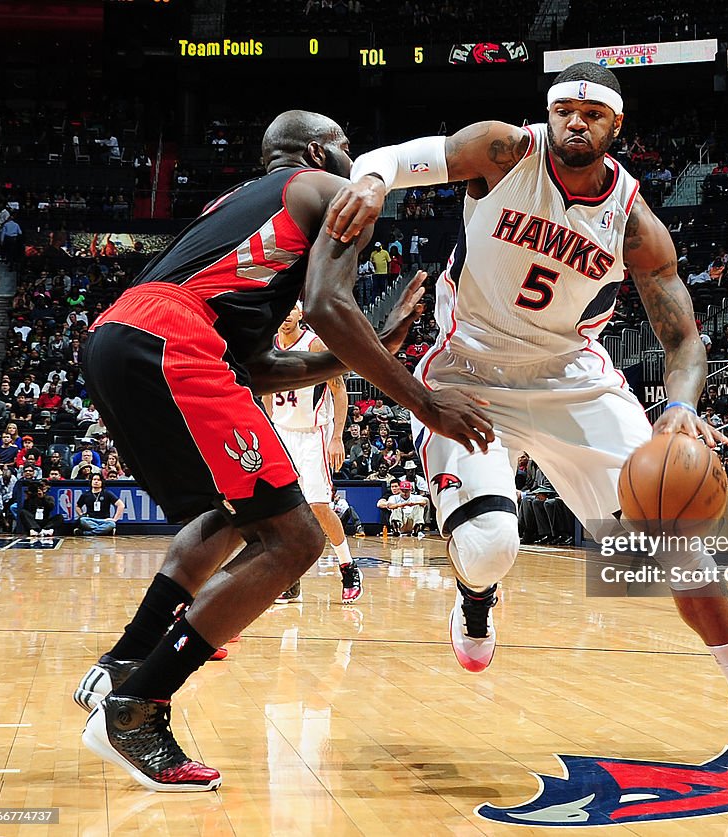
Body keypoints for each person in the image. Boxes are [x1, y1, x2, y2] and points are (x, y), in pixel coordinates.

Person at [324, 63, 728, 763]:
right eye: (564, 110)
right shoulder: (504, 152)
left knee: (673, 538)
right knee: (492, 545)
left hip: (571, 380)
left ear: (616, 126)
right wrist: (371, 181)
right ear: (548, 115)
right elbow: (392, 159)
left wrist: (679, 406)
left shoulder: (635, 220)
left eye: (592, 113)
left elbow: (683, 339)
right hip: (470, 372)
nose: (574, 121)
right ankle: (475, 592)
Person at [74, 110, 492, 792]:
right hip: (175, 342)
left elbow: (259, 368)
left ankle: (122, 663)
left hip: (120, 335)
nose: (358, 163)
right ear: (319, 149)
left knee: (231, 514)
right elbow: (328, 306)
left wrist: (375, 348)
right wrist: (422, 398)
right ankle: (135, 709)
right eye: (350, 148)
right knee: (294, 543)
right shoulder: (326, 189)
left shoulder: (244, 212)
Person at [263, 303, 363, 604]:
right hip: (282, 433)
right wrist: (269, 429)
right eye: (284, 308)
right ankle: (291, 581)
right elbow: (267, 391)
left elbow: (338, 390)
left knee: (318, 506)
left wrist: (336, 438)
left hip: (313, 434)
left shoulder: (314, 343)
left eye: (292, 308)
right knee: (283, 511)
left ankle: (348, 567)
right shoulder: (269, 344)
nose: (286, 314)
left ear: (301, 313)